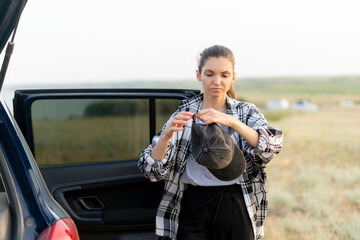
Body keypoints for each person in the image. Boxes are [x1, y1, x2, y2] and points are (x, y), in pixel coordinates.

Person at [138, 45, 283, 240]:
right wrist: (166, 135)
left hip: (236, 199)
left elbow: (272, 145)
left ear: (233, 77)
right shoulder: (184, 113)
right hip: (194, 201)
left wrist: (231, 121)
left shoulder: (245, 112)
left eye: (224, 75)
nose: (217, 81)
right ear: (199, 75)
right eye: (209, 74)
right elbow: (151, 170)